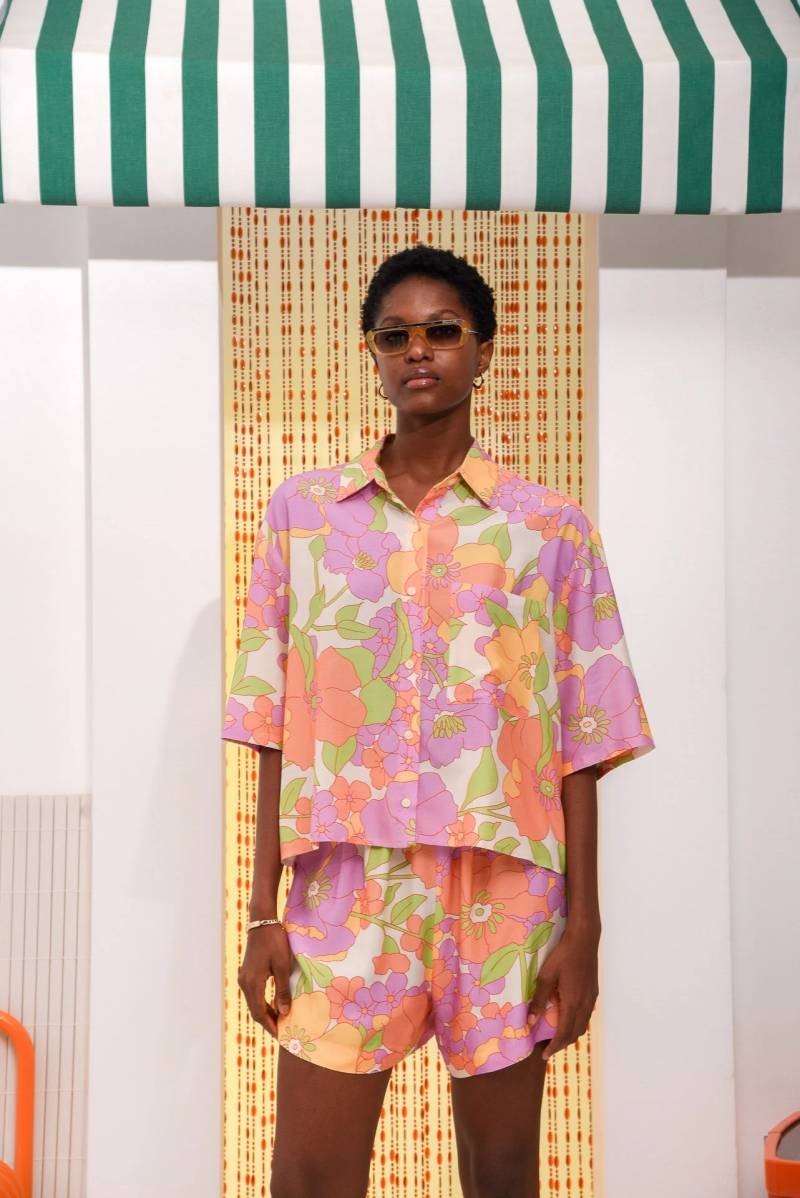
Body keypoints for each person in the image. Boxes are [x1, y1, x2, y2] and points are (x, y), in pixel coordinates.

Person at [224, 244, 655, 1197]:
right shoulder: (304, 515)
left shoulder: (549, 529)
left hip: (505, 892)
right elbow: (271, 725)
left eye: (443, 330)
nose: (418, 350)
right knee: (308, 1178)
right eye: (395, 335)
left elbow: (582, 741)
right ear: (375, 355)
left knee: (502, 1175)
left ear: (483, 350)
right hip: (347, 886)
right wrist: (262, 911)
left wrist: (583, 930)